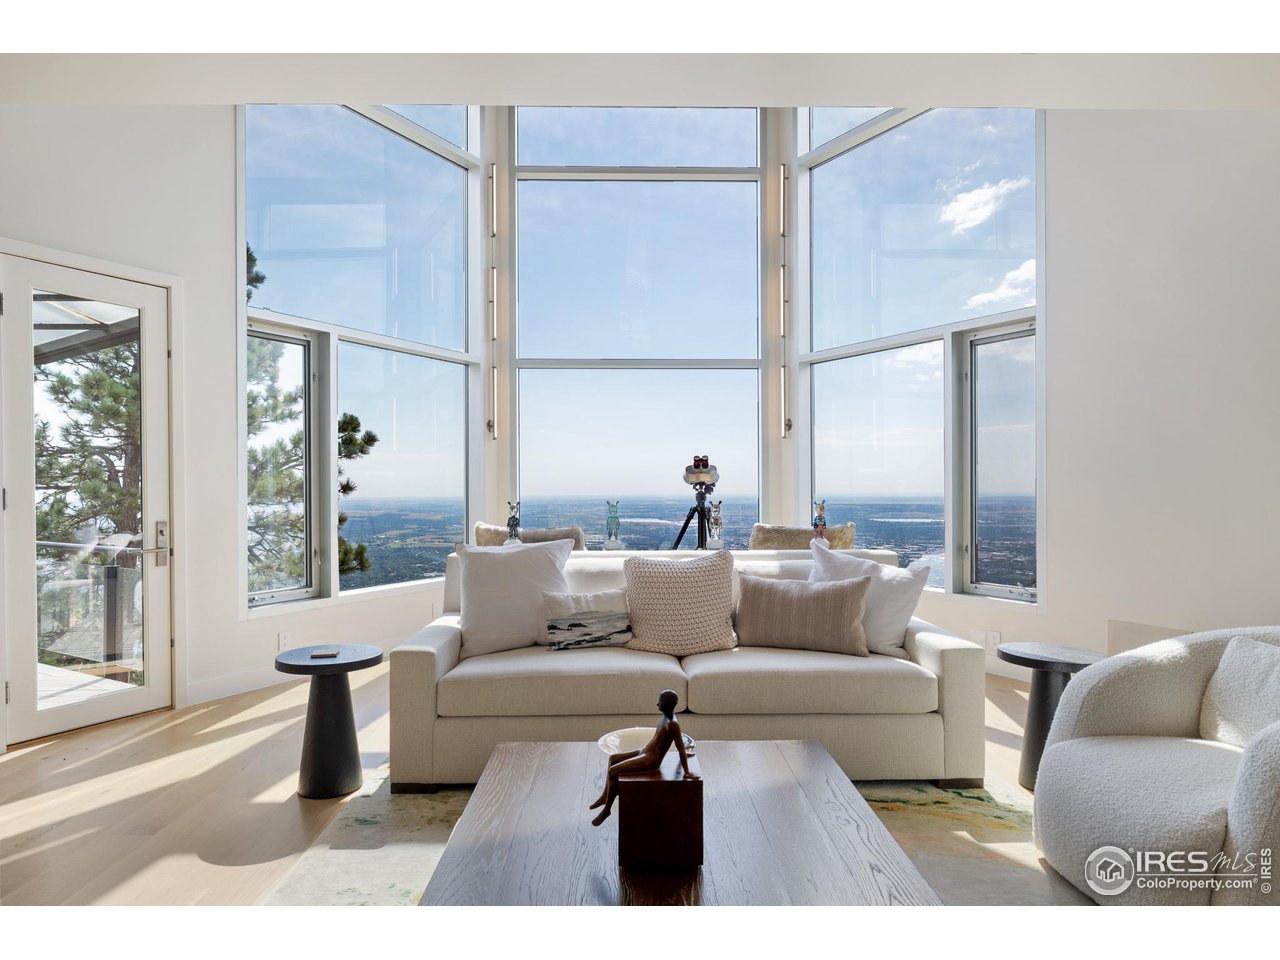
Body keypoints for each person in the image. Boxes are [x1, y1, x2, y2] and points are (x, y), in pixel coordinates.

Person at [589, 689, 698, 826]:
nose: (657, 703)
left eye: (660, 702)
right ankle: (605, 796)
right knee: (613, 758)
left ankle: (607, 810)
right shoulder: (666, 718)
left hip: (651, 760)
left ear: (666, 705)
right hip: (644, 752)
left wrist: (687, 771)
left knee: (612, 771)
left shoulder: (673, 724)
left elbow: (680, 747)